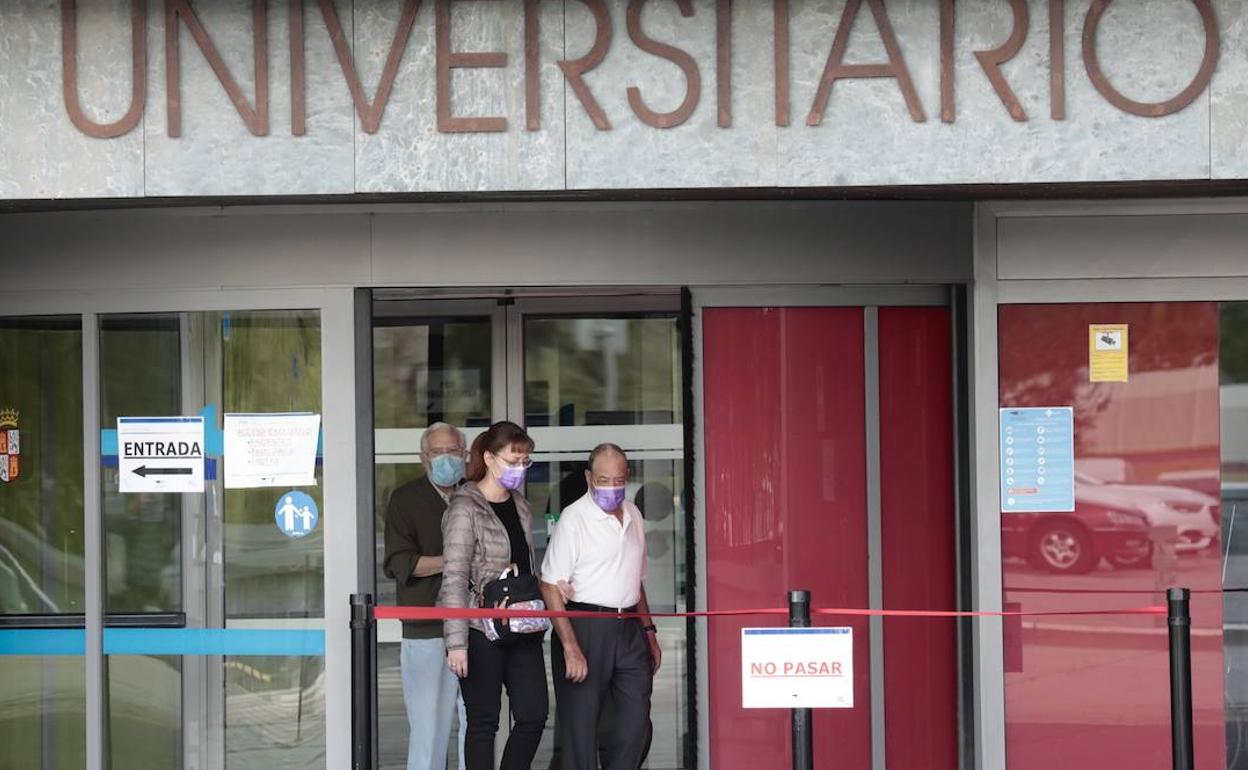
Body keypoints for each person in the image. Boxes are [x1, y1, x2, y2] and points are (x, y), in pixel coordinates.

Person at [540, 443, 661, 770]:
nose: (611, 487)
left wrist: (649, 632)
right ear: (589, 477)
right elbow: (549, 585)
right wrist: (570, 647)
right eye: (604, 480)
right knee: (580, 731)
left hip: (629, 627)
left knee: (636, 723)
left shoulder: (633, 514)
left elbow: (636, 579)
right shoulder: (573, 518)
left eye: (618, 480)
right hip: (584, 627)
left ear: (628, 477)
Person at [439, 421, 549, 770]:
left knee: (533, 714)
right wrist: (456, 643)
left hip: (523, 625)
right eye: (512, 460)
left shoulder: (520, 505)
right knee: (483, 723)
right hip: (479, 629)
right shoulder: (464, 507)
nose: (519, 469)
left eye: (525, 461)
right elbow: (454, 577)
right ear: (488, 457)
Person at [383, 422, 470, 770]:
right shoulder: (405, 500)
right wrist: (454, 560)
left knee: (477, 724)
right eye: (437, 452)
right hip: (426, 627)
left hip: (475, 627)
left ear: (465, 455)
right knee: (427, 728)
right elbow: (400, 563)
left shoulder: (475, 495)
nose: (446, 458)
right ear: (423, 458)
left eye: (453, 451)